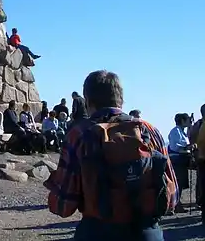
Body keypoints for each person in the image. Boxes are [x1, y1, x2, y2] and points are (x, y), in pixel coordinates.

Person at [45, 70, 176, 240]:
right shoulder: (149, 131)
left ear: (88, 101)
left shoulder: (79, 134)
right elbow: (172, 196)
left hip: (98, 231)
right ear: (121, 99)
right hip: (146, 231)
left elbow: (63, 206)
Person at [168, 113, 194, 213]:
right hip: (177, 160)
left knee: (180, 183)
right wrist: (188, 147)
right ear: (183, 121)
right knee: (178, 182)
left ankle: (177, 204)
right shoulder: (176, 131)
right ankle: (175, 205)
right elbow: (176, 146)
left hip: (181, 160)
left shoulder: (181, 131)